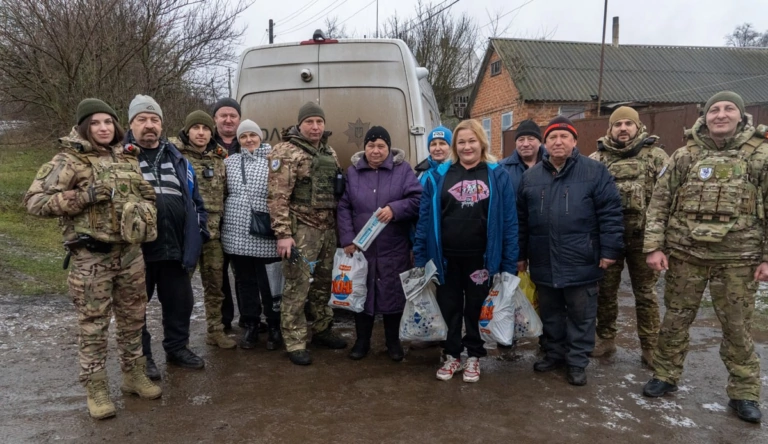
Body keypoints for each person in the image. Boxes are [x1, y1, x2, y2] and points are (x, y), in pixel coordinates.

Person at [24, 98, 161, 419]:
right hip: (91, 257)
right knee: (94, 324)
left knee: (133, 319)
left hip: (130, 255)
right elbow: (34, 201)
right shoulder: (68, 160)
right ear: (85, 126)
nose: (103, 128)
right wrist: (82, 197)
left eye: (108, 122)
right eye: (96, 123)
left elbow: (144, 191)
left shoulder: (126, 157)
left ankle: (133, 373)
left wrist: (147, 209)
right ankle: (96, 385)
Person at [642, 91, 766, 424]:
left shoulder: (760, 156)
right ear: (705, 116)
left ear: (741, 116)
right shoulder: (685, 156)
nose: (721, 114)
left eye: (728, 109)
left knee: (737, 328)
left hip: (738, 260)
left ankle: (744, 392)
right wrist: (654, 246)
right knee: (675, 321)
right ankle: (665, 375)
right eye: (714, 109)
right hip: (686, 255)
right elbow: (659, 203)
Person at [517, 115, 623, 387]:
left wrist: (609, 251)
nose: (558, 141)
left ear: (575, 141)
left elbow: (610, 214)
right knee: (551, 313)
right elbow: (521, 220)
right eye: (552, 137)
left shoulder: (594, 171)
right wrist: (520, 255)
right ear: (545, 143)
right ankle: (555, 354)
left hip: (582, 259)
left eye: (564, 136)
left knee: (581, 314)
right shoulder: (530, 177)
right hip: (544, 259)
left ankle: (577, 362)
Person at [414, 119, 518, 383]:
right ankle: (452, 356)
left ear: (481, 142)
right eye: (461, 142)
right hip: (446, 258)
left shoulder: (497, 174)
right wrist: (420, 257)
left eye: (472, 141)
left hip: (480, 258)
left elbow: (509, 221)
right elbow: (424, 219)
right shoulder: (439, 175)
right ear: (454, 146)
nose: (467, 146)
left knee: (475, 307)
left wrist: (508, 262)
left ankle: (474, 355)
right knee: (449, 307)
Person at [127, 95, 209, 379]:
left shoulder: (179, 159)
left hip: (175, 247)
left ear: (161, 125)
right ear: (131, 124)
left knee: (180, 303)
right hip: (137, 251)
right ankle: (143, 357)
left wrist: (199, 232)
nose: (149, 125)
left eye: (154, 120)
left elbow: (196, 203)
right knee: (135, 308)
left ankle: (177, 349)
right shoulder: (121, 157)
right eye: (142, 120)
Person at [267, 101, 348, 365]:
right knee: (297, 286)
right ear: (300, 124)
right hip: (300, 230)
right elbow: (278, 197)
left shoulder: (329, 151)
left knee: (324, 285)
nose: (315, 127)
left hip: (327, 229)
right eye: (310, 122)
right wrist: (282, 233)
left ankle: (322, 329)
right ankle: (294, 340)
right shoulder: (286, 151)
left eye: (319, 122)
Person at [588, 107, 668, 365]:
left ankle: (650, 346)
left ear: (637, 127)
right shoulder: (596, 160)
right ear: (609, 129)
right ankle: (605, 338)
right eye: (618, 124)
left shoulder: (656, 157)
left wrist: (660, 241)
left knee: (645, 293)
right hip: (608, 239)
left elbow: (667, 199)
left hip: (645, 239)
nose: (623, 128)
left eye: (628, 124)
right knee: (605, 292)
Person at [337, 126, 422, 361]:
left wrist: (395, 209)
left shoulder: (402, 170)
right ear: (364, 148)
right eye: (371, 145)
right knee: (361, 295)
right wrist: (347, 239)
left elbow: (417, 199)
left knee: (392, 295)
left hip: (392, 247)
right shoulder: (353, 172)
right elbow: (344, 206)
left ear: (388, 148)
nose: (376, 150)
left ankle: (393, 343)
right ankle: (361, 342)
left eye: (381, 146)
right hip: (361, 249)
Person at [171, 111, 236, 350]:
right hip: (184, 234)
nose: (201, 133)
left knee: (215, 285)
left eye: (206, 128)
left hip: (213, 235)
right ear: (188, 130)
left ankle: (215, 331)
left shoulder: (220, 158)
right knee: (180, 288)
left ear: (212, 132)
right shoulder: (173, 156)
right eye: (196, 128)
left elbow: (227, 193)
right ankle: (179, 339)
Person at [222, 120, 283, 350]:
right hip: (236, 235)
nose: (249, 140)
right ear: (238, 140)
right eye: (244, 136)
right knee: (245, 283)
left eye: (252, 135)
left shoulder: (273, 160)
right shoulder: (230, 162)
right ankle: (251, 325)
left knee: (271, 284)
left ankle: (275, 326)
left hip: (265, 233)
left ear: (260, 137)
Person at [499, 119, 546, 192]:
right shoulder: (502, 168)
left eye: (531, 139)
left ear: (540, 142)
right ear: (515, 143)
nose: (525, 144)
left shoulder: (551, 165)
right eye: (521, 140)